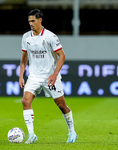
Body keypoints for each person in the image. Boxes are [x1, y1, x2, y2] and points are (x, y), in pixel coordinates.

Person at [19, 9, 77, 144]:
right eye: (29, 21)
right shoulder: (26, 37)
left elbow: (62, 55)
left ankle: (72, 131)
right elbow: (23, 58)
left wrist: (55, 74)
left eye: (33, 21)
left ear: (40, 20)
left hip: (50, 77)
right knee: (25, 101)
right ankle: (31, 134)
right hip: (34, 76)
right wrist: (21, 76)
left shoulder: (50, 36)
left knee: (61, 105)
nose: (31, 24)